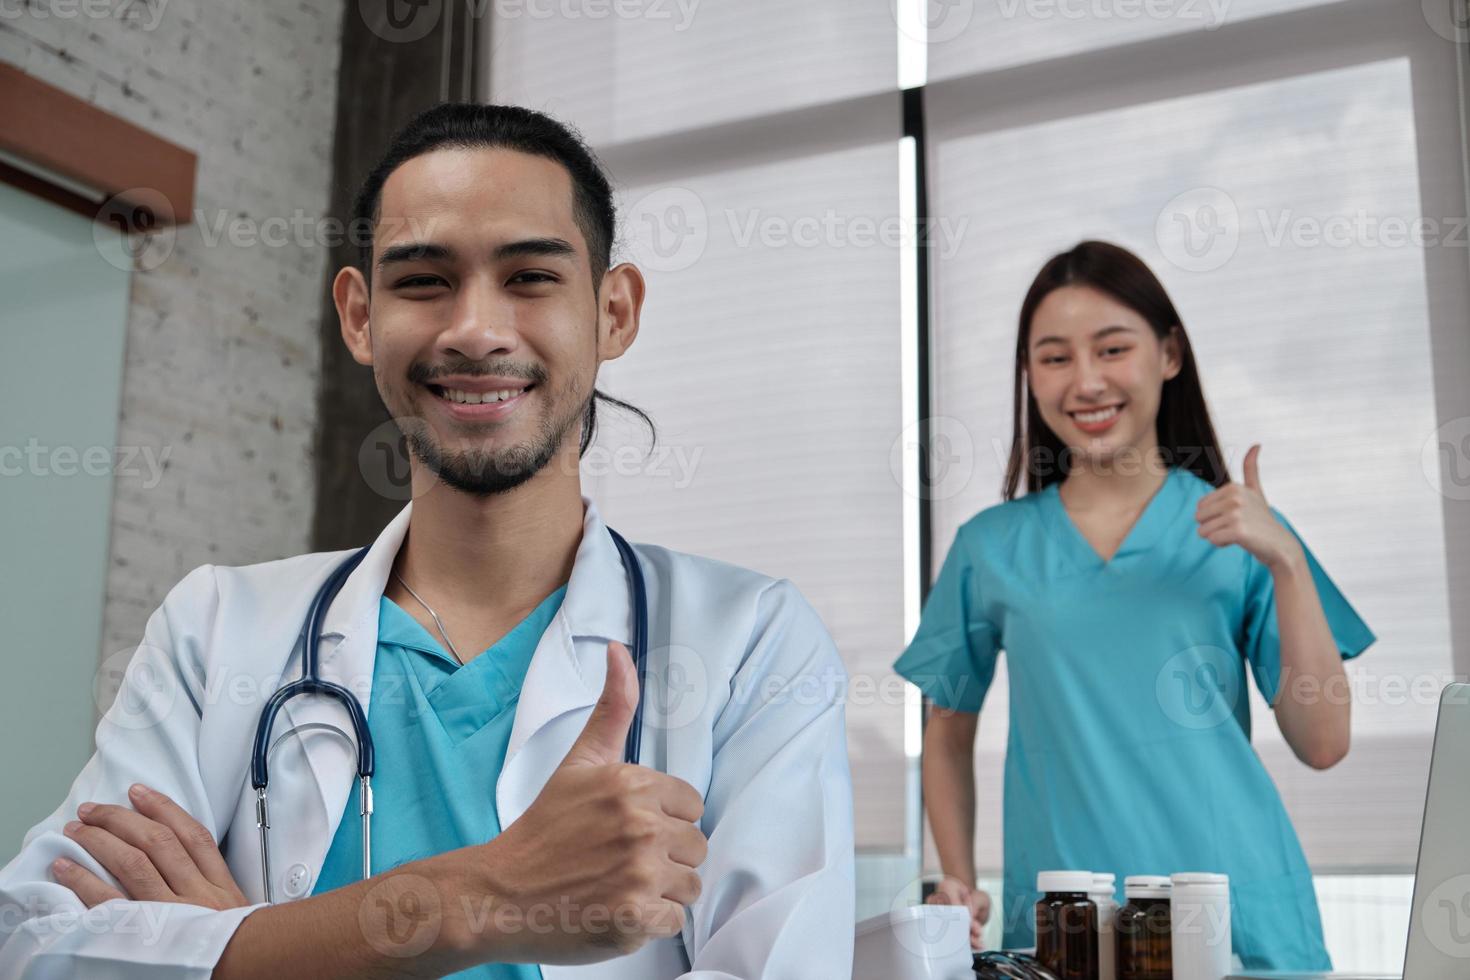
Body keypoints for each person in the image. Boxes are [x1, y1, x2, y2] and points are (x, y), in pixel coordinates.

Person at [0, 103, 855, 979]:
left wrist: (253, 949)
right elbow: (35, 946)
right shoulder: (217, 626)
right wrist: (483, 897)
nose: (475, 330)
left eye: (529, 277)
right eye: (423, 281)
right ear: (360, 316)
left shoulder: (751, 641)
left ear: (614, 313)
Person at [896, 240, 1374, 970]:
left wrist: (1286, 562)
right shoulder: (990, 548)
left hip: (1239, 911)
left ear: (1169, 354)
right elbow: (948, 729)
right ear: (1030, 376)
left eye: (1112, 348)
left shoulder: (1243, 531)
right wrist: (955, 877)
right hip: (1067, 930)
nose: (1086, 381)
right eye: (1054, 358)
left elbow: (1323, 742)